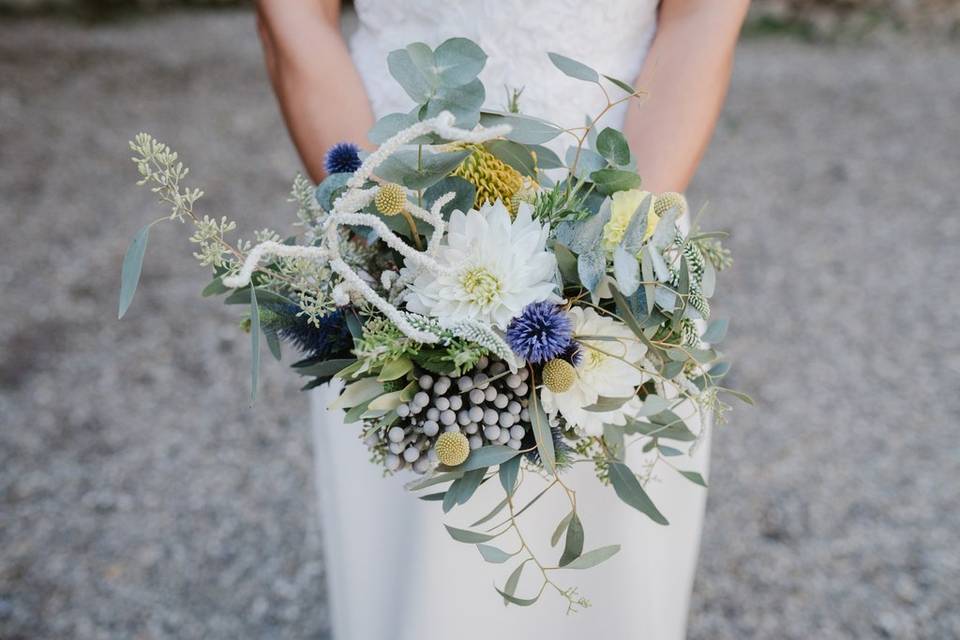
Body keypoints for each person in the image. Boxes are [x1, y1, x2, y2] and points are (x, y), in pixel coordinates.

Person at [255, 1, 748, 638]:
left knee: (611, 573)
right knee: (415, 566)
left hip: (621, 203)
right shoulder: (388, 230)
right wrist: (389, 230)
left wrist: (613, 252)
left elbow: (700, 17)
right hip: (393, 204)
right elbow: (292, 15)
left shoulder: (620, 247)